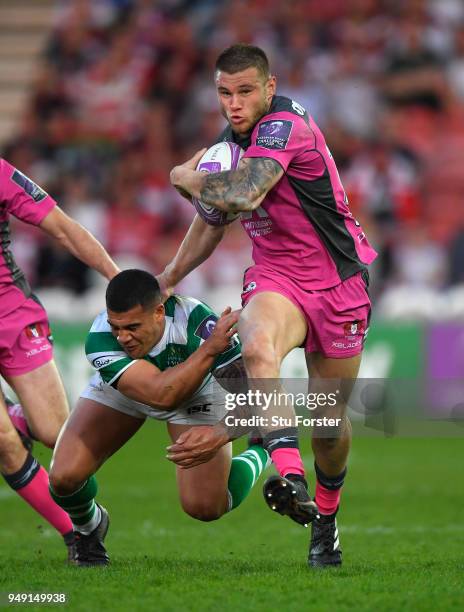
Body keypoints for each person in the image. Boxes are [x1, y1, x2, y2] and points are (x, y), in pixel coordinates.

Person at [161, 43, 377, 568]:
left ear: (270, 88)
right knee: (257, 345)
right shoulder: (228, 143)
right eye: (224, 93)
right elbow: (214, 220)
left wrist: (183, 177)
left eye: (245, 91)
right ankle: (291, 477)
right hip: (277, 276)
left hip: (338, 279)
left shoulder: (284, 125)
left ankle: (325, 522)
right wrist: (167, 278)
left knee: (329, 424)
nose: (233, 104)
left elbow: (244, 195)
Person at [49, 269, 273, 567]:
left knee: (205, 507)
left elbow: (261, 400)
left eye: (132, 327)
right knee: (63, 478)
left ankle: (260, 449)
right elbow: (161, 395)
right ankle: (89, 527)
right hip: (131, 389)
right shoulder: (101, 336)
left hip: (200, 394)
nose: (122, 337)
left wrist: (221, 433)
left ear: (158, 312)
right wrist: (208, 351)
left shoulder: (200, 324)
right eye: (117, 327)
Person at [0, 157, 119, 560]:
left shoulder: (1, 174)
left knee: (55, 433)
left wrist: (116, 277)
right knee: (3, 444)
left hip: (11, 317)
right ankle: (78, 533)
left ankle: (18, 417)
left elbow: (63, 228)